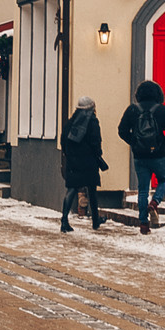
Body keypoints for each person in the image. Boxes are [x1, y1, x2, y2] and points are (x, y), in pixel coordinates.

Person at [117, 78, 165, 234]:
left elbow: (122, 130)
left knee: (143, 189)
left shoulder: (132, 110)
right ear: (157, 94)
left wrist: (134, 143)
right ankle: (155, 202)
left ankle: (143, 224)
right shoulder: (162, 110)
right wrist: (163, 145)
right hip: (158, 155)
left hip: (140, 156)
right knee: (164, 180)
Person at [59, 95, 108, 233]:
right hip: (89, 161)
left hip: (73, 161)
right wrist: (98, 154)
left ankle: (64, 221)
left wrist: (69, 155)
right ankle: (95, 220)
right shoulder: (92, 122)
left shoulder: (71, 121)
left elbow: (63, 140)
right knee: (92, 189)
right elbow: (96, 141)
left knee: (72, 189)